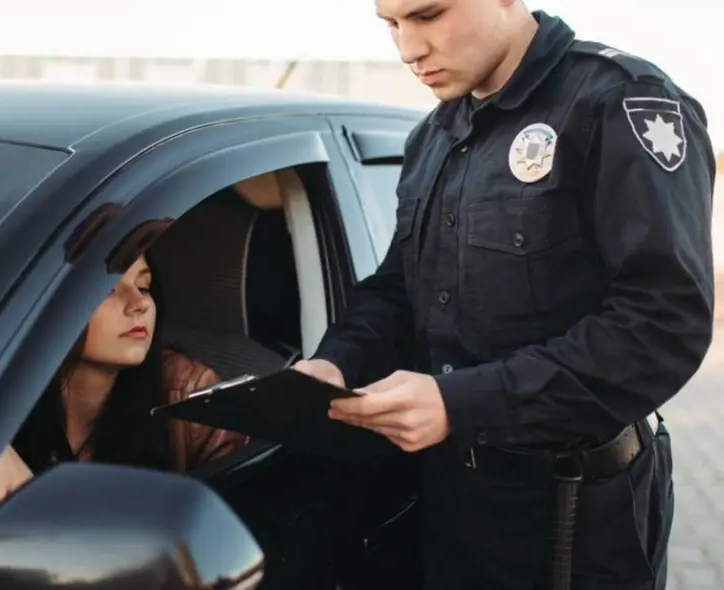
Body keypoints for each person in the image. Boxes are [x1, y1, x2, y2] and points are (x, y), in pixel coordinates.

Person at [293, 2, 716, 589]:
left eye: (428, 14)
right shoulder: (434, 138)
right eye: (391, 24)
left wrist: (463, 402)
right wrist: (334, 362)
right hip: (450, 502)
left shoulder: (619, 102)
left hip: (572, 518)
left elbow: (661, 326)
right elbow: (397, 291)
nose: (408, 49)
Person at [0, 252, 247, 509]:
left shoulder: (190, 393)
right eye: (108, 289)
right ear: (51, 304)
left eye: (143, 287)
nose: (139, 303)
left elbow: (235, 516)